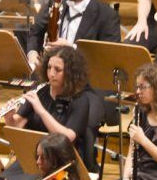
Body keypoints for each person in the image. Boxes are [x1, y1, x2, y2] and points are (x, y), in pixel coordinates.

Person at [6, 43, 100, 172]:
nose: (51, 74)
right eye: (49, 67)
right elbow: (16, 126)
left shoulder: (80, 100)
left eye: (58, 70)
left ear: (70, 72)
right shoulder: (39, 91)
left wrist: (41, 111)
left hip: (62, 161)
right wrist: (9, 116)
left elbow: (66, 138)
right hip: (35, 157)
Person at [23, 0, 120, 72]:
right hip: (52, 73)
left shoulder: (107, 15)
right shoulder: (55, 2)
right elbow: (35, 31)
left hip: (84, 78)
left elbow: (108, 56)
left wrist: (71, 48)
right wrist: (32, 55)